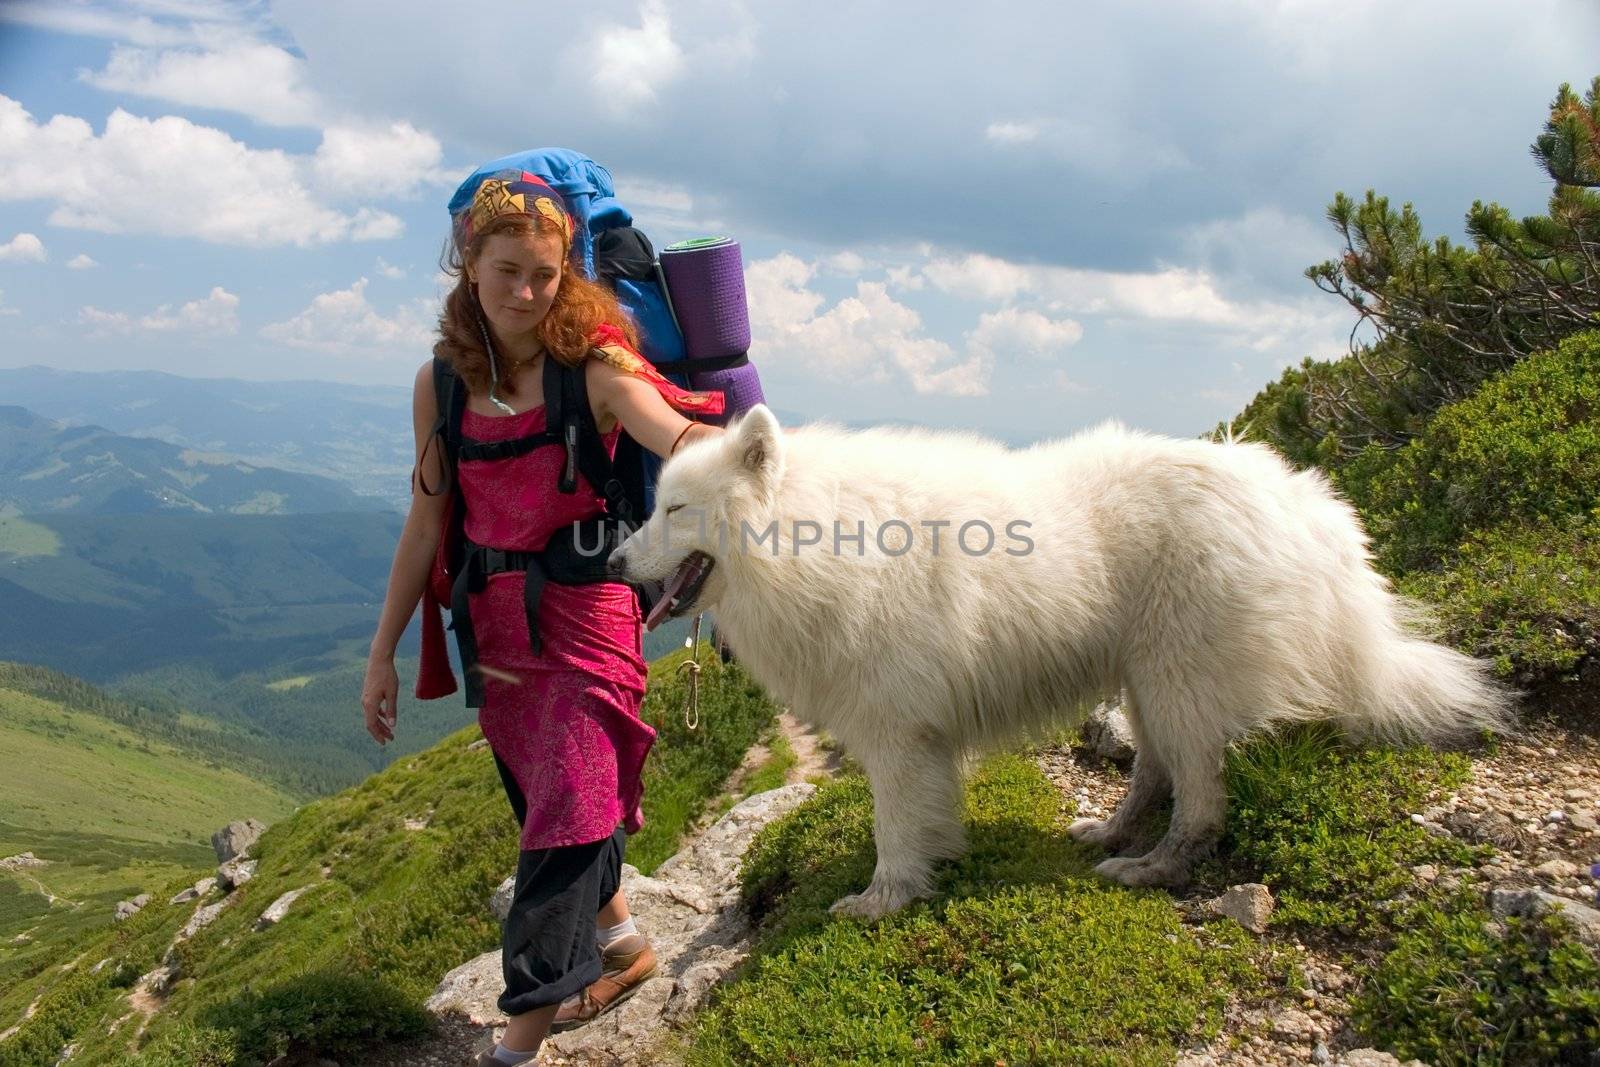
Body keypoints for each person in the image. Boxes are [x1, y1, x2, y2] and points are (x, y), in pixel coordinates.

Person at [360, 170, 724, 1066]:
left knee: (561, 822)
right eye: (507, 270)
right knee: (549, 800)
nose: (526, 292)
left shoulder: (597, 366)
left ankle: (515, 1045)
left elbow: (673, 434)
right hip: (494, 627)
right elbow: (428, 519)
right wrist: (383, 653)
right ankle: (627, 946)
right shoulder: (440, 381)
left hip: (590, 617)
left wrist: (733, 454)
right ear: (468, 265)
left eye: (547, 274)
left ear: (570, 271)